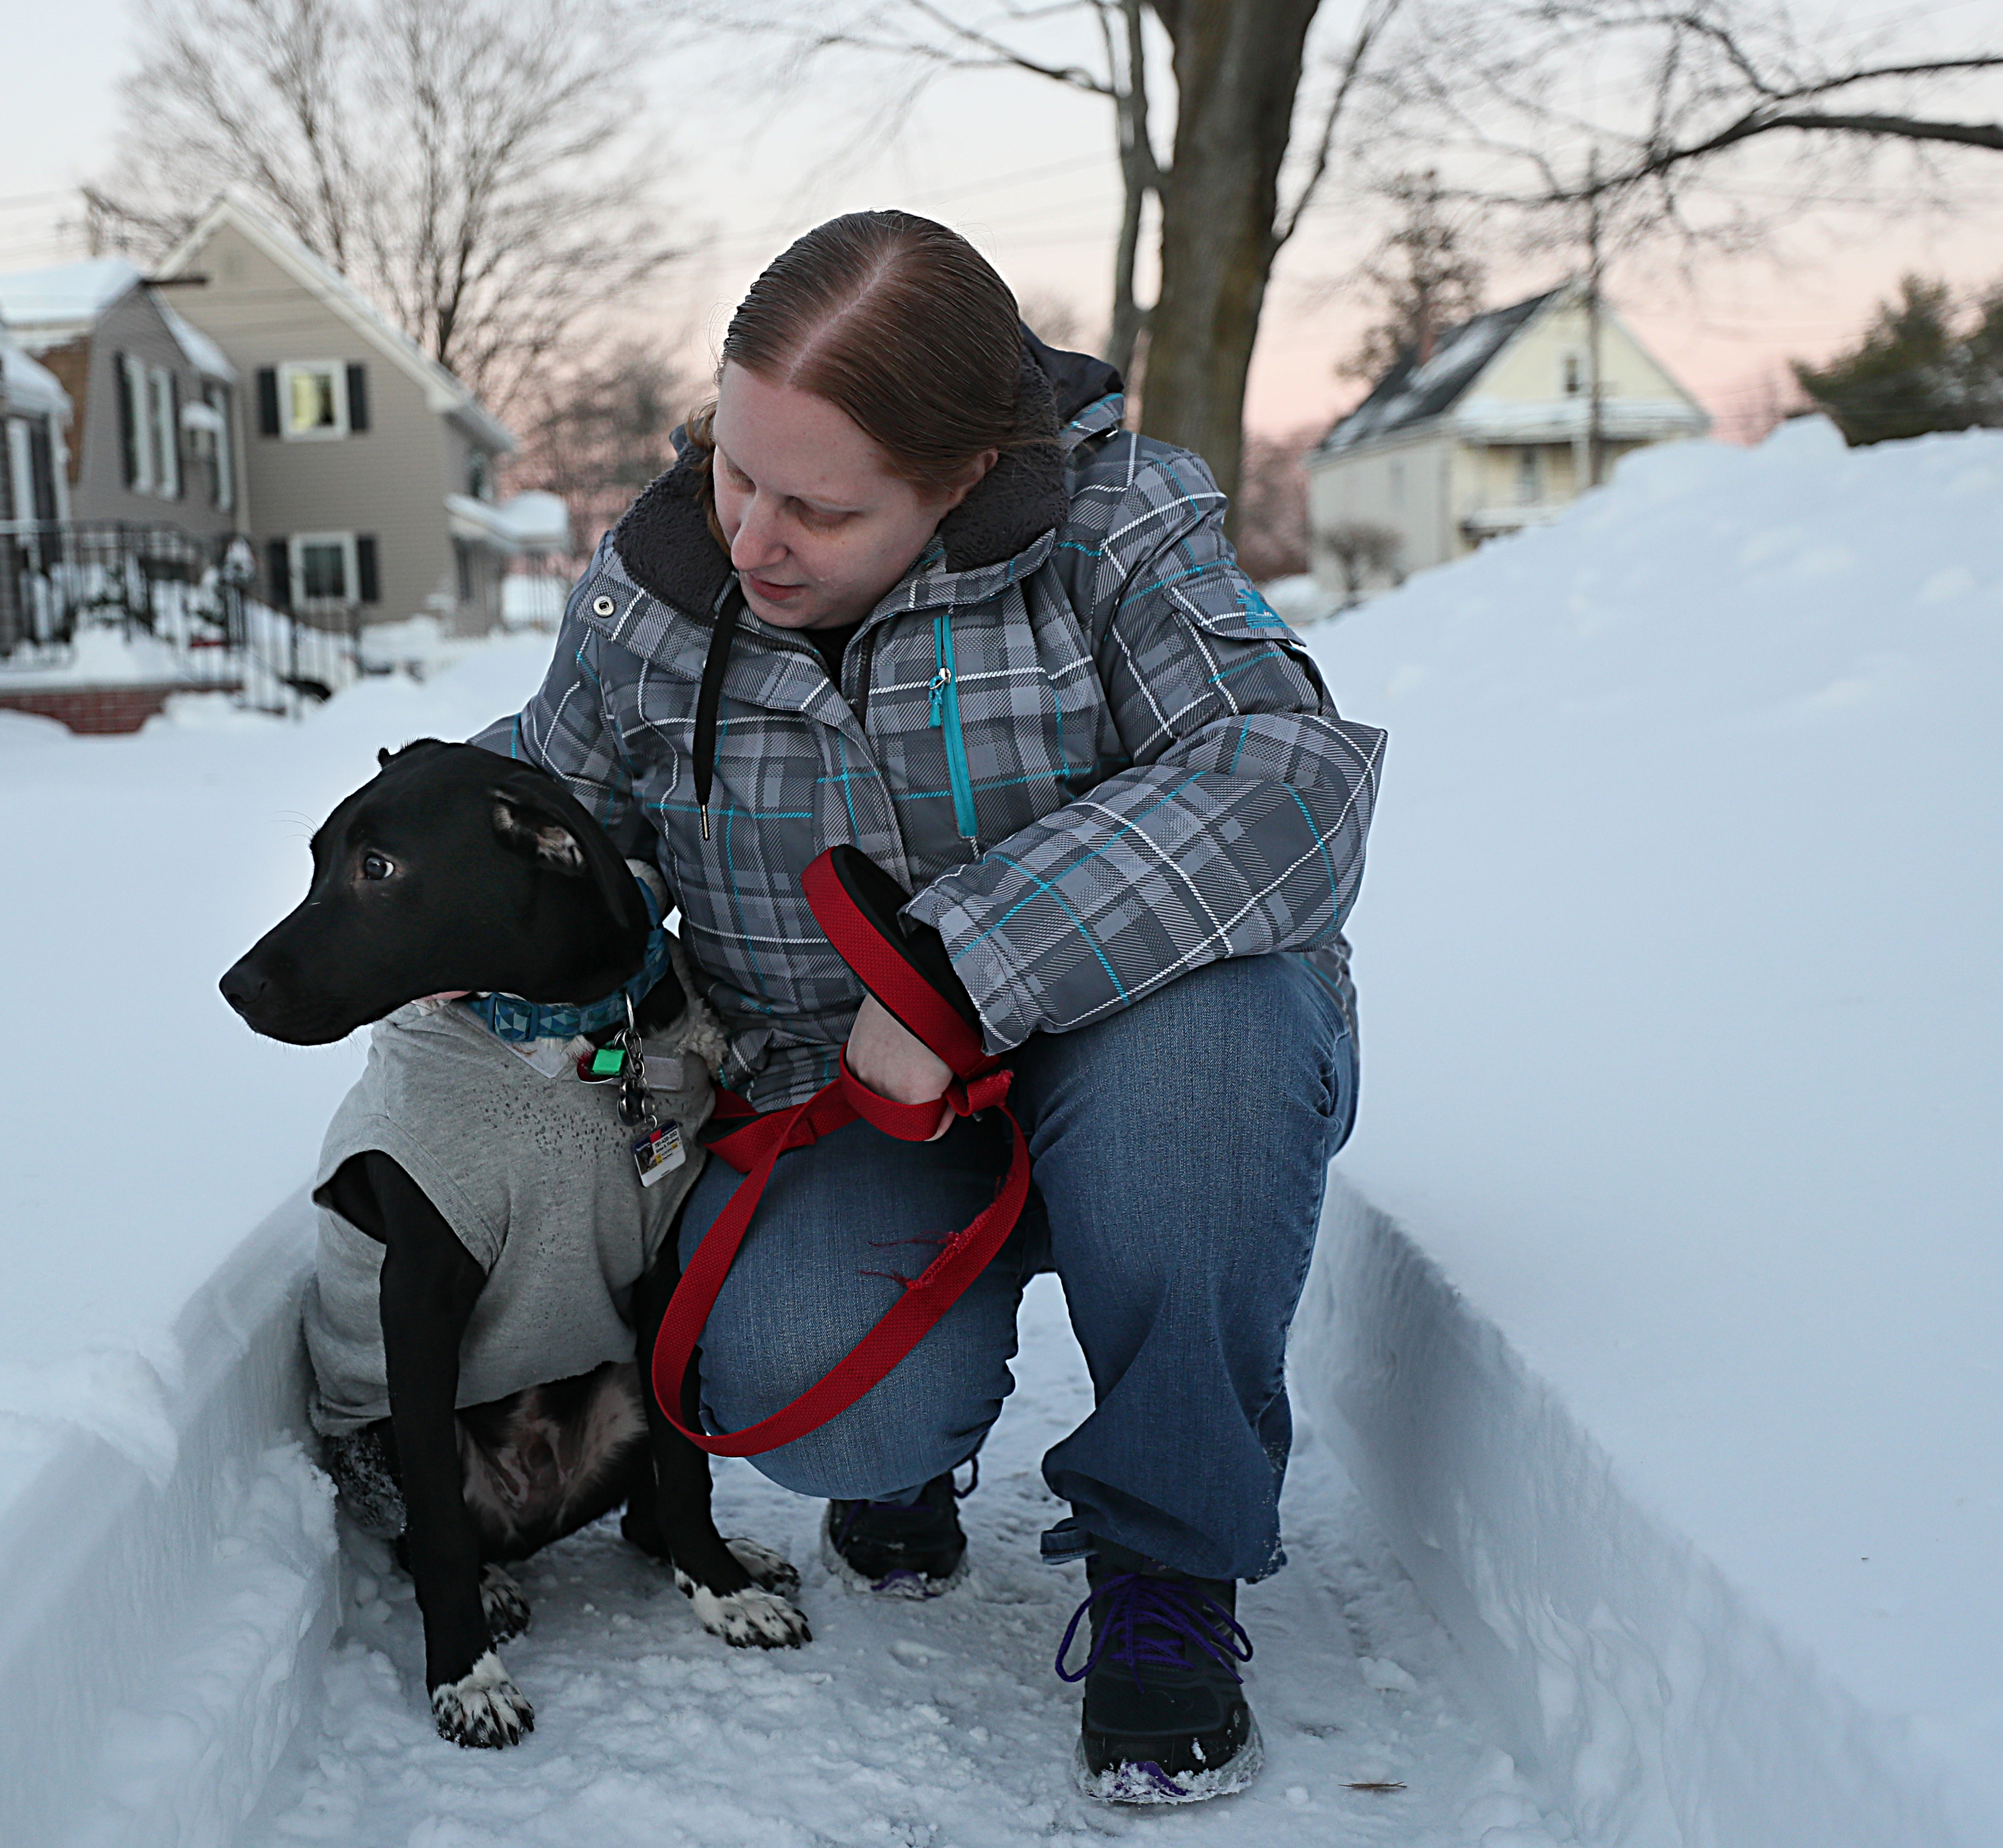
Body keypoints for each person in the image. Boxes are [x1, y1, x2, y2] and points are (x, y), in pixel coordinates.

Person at [483, 210, 1382, 1803]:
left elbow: (1285, 775)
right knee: (806, 1397)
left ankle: (1165, 1558)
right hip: (853, 1103)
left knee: (1203, 1091)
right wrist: (448, 889)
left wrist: (969, 965)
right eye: (734, 469)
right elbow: (564, 823)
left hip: (1143, 1048)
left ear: (962, 477)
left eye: (818, 509)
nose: (752, 536)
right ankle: (925, 1427)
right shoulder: (655, 591)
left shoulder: (1121, 525)